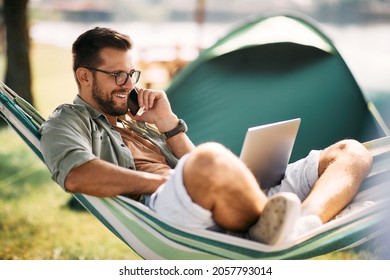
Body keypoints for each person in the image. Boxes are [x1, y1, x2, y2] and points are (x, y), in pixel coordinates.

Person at [40, 27, 373, 245]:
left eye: (130, 73)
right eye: (117, 75)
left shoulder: (136, 117)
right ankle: (271, 219)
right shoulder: (67, 120)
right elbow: (77, 174)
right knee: (210, 157)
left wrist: (168, 124)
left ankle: (299, 225)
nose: (128, 84)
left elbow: (194, 167)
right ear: (84, 76)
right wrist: (163, 182)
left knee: (351, 152)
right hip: (166, 208)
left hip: (216, 194)